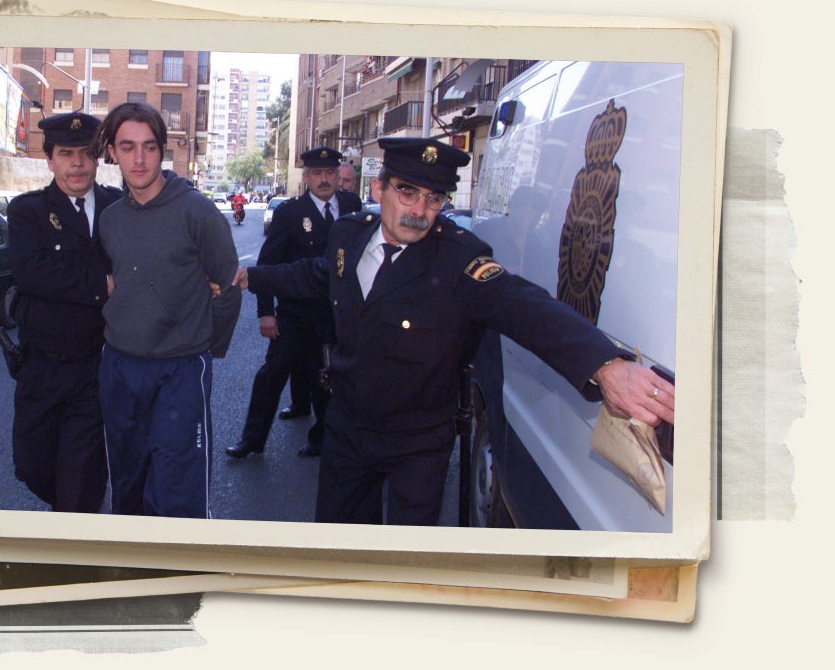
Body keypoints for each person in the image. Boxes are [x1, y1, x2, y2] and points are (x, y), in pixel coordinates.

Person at [238, 137, 676, 526]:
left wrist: (605, 365)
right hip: (347, 429)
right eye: (407, 192)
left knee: (406, 566)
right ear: (378, 189)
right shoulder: (349, 236)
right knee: (341, 547)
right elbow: (314, 275)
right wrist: (250, 277)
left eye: (433, 199)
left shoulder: (458, 258)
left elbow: (524, 306)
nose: (419, 211)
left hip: (417, 442)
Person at [94, 102, 243, 518]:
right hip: (120, 369)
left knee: (179, 496)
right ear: (113, 153)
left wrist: (203, 347)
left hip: (180, 370)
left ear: (162, 150)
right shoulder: (109, 219)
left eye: (149, 147)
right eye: (127, 147)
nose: (139, 159)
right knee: (128, 487)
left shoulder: (197, 212)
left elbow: (229, 286)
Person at [6, 111, 120, 513]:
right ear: (49, 160)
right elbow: (32, 273)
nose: (77, 163)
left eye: (86, 153)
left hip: (95, 367)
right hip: (41, 367)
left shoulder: (119, 208)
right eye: (66, 154)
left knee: (80, 482)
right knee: (32, 467)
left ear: (98, 158)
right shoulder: (28, 212)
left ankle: (76, 530)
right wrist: (102, 284)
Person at [226, 146, 363, 460]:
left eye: (329, 173)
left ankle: (321, 438)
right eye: (317, 173)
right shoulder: (290, 213)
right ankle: (252, 440)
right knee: (271, 375)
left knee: (327, 378)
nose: (324, 179)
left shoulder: (352, 206)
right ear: (307, 177)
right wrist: (265, 313)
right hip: (295, 313)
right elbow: (267, 264)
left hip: (335, 314)